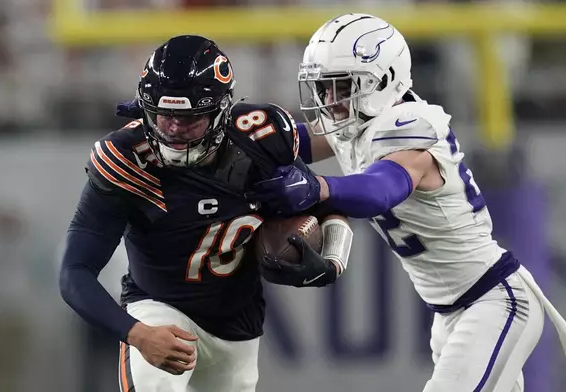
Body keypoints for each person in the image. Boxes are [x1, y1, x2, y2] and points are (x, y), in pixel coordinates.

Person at [247, 14, 566, 392]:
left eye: (341, 87)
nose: (331, 101)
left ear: (382, 81)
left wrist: (317, 187)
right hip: (449, 312)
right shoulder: (358, 122)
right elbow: (289, 142)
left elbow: (381, 189)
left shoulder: (409, 125)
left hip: (493, 300)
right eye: (324, 89)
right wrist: (232, 141)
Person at [59, 35, 353, 392]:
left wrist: (334, 259)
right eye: (163, 115)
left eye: (189, 118)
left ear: (221, 111)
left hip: (238, 328)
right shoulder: (126, 159)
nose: (173, 129)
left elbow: (327, 199)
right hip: (159, 310)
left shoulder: (258, 139)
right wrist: (137, 334)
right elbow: (75, 272)